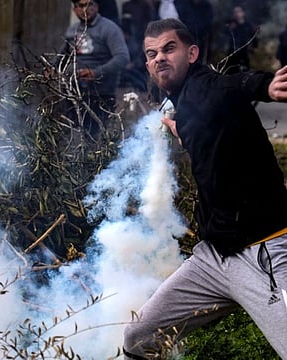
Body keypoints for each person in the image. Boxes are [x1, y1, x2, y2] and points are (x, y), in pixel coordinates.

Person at [123, 18, 287, 359]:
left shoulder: (209, 87)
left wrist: (266, 87)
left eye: (170, 48)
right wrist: (183, 128)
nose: (159, 59)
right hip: (212, 259)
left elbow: (232, 86)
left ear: (192, 53)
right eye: (151, 54)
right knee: (139, 337)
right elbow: (206, 123)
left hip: (262, 253)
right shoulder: (185, 103)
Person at [61, 0, 130, 138]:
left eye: (90, 4)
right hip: (75, 92)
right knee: (72, 135)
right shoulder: (72, 30)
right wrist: (52, 68)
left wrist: (96, 72)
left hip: (101, 93)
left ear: (97, 7)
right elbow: (63, 56)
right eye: (80, 6)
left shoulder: (109, 28)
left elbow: (122, 57)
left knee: (96, 137)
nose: (85, 9)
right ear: (74, 9)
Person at [223, 5, 258, 73]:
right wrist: (230, 29)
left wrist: (253, 49)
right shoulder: (231, 25)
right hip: (232, 53)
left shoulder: (248, 26)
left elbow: (254, 39)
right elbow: (224, 36)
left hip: (244, 53)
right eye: (235, 12)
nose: (237, 14)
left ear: (243, 13)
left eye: (238, 11)